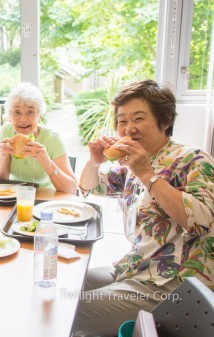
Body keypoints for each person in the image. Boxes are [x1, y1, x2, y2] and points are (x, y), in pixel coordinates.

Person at [73, 79, 214, 336]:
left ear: (166, 120)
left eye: (138, 118)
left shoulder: (193, 159)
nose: (128, 129)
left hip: (171, 285)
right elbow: (88, 187)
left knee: (68, 309)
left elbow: (202, 220)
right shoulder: (133, 162)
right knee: (60, 284)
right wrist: (94, 162)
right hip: (133, 268)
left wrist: (147, 174)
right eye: (122, 120)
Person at [0, 82, 77, 194]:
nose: (23, 119)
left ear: (40, 115)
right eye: (17, 112)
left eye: (30, 112)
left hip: (46, 197)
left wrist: (47, 162)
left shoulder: (52, 138)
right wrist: (3, 156)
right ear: (10, 115)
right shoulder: (7, 131)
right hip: (13, 197)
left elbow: (72, 189)